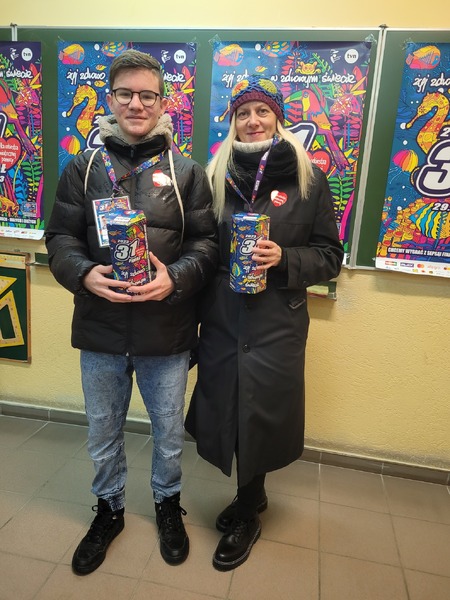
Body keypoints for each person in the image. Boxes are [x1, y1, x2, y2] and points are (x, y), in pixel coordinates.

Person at [45, 49, 217, 574]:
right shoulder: (83, 169)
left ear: (163, 102)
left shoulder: (186, 173)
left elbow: (207, 246)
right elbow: (59, 238)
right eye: (126, 94)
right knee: (102, 431)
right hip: (100, 328)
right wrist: (83, 273)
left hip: (166, 332)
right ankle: (109, 509)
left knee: (167, 432)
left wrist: (176, 277)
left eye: (147, 95)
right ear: (111, 99)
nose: (136, 104)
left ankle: (167, 504)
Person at [185, 75, 344, 571]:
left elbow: (330, 256)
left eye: (262, 112)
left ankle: (249, 506)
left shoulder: (308, 180)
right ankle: (249, 497)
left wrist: (285, 258)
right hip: (223, 318)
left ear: (278, 118)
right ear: (232, 122)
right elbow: (200, 249)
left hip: (278, 322)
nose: (252, 121)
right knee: (226, 408)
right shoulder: (213, 177)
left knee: (261, 413)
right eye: (243, 113)